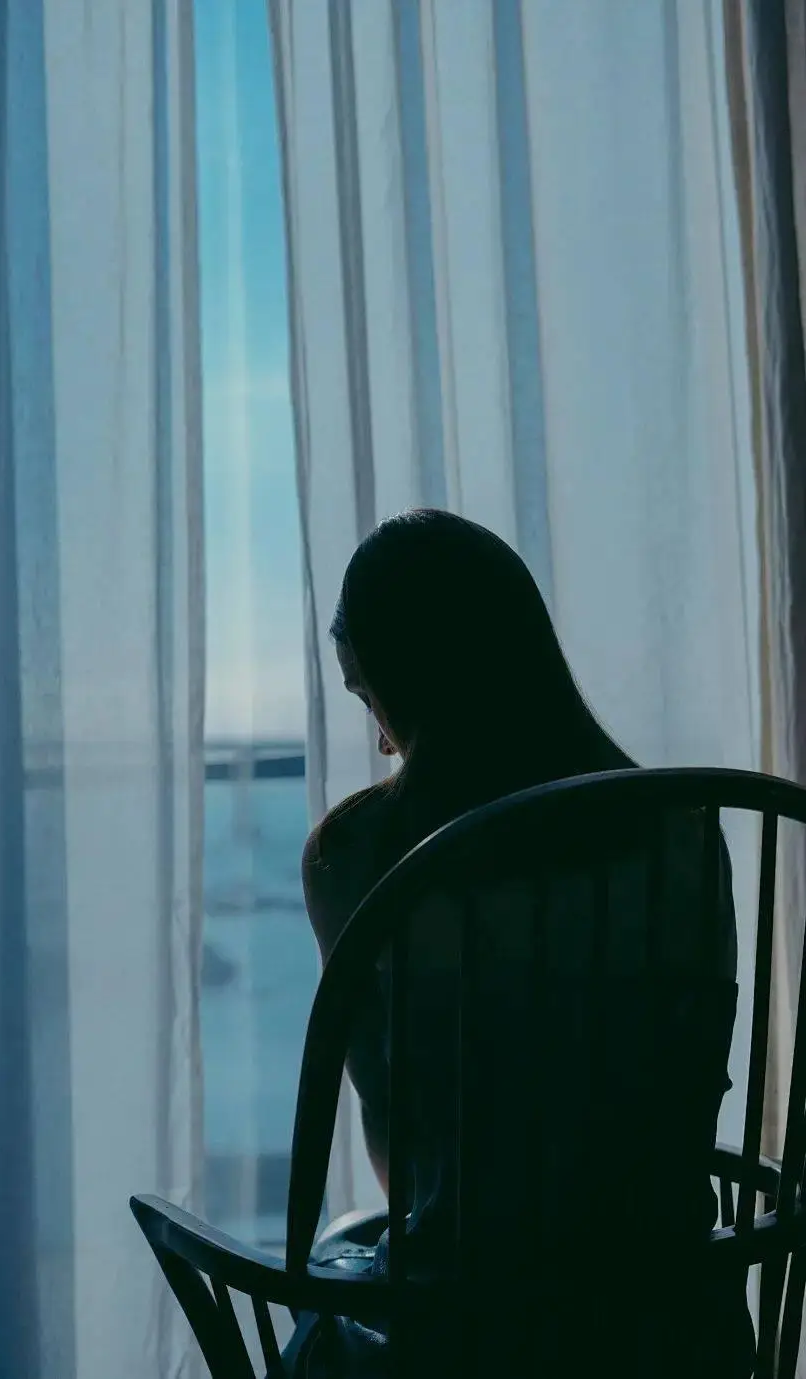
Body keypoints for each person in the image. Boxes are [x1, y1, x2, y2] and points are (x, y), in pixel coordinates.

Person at [283, 510, 753, 1378]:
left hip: (474, 1340)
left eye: (370, 695)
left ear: (409, 684)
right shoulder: (685, 829)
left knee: (329, 1284)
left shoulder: (359, 856)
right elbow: (692, 1081)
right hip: (681, 1326)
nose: (380, 738)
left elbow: (398, 1149)